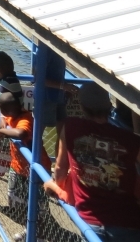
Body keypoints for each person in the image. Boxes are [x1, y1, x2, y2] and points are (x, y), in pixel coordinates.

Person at [44, 82, 140, 240]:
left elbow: (60, 169)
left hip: (89, 219)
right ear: (110, 106)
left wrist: (59, 188)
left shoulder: (70, 127)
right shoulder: (130, 140)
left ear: (82, 107)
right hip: (128, 221)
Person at [0, 92, 52, 221]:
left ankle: (38, 225)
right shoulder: (13, 114)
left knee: (38, 201)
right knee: (17, 196)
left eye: (2, 109)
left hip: (36, 168)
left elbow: (20, 133)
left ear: (7, 109)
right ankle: (26, 221)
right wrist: (2, 119)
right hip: (19, 167)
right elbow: (3, 114)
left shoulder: (25, 119)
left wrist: (2, 131)